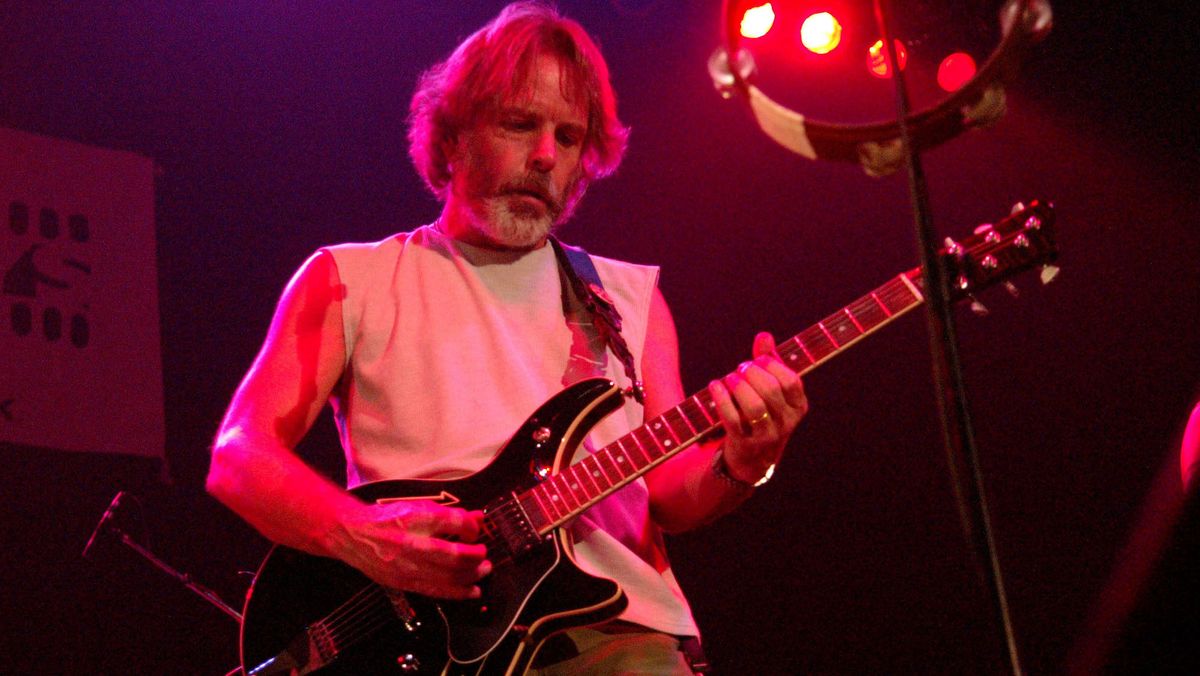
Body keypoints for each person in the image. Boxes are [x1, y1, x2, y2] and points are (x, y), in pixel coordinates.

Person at [206, 3, 808, 673]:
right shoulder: (352, 277)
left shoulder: (626, 298)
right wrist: (363, 535)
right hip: (430, 645)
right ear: (455, 134)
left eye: (569, 137)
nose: (546, 156)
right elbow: (240, 457)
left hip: (614, 640)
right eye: (520, 124)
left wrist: (746, 461)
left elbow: (669, 493)